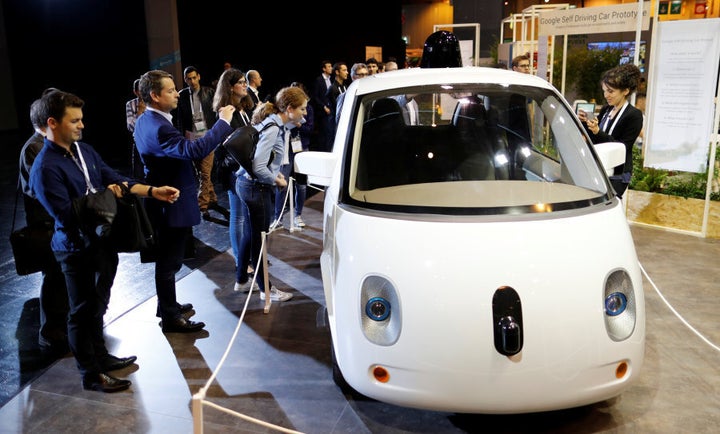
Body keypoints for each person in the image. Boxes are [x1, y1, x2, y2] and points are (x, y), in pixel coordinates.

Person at [29, 89, 180, 393]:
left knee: (98, 306)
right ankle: (90, 373)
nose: (81, 125)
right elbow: (67, 214)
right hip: (74, 249)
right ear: (53, 123)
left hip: (103, 242)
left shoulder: (85, 151)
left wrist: (152, 191)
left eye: (81, 119)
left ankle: (101, 357)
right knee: (82, 311)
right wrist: (106, 195)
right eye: (74, 121)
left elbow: (114, 176)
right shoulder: (44, 167)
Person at [134, 69, 235, 332]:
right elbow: (195, 150)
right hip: (170, 203)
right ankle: (169, 317)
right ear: (155, 96)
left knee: (171, 261)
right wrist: (222, 122)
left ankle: (167, 305)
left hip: (168, 202)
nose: (176, 94)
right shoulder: (159, 128)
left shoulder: (147, 120)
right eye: (170, 90)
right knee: (169, 262)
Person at [235, 86, 309, 302]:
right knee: (259, 240)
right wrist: (276, 179)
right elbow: (258, 166)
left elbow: (296, 122)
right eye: (302, 109)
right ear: (289, 108)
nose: (305, 113)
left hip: (248, 185)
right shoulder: (273, 129)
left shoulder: (277, 123)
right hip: (255, 187)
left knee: (250, 235)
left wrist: (297, 121)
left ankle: (241, 280)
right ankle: (265, 290)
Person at [18, 92, 69, 356]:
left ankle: (60, 327)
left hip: (57, 221)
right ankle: (49, 332)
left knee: (60, 275)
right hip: (45, 223)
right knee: (54, 275)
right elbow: (42, 188)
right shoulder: (34, 147)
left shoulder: (51, 143)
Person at [211, 68, 255, 291]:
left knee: (245, 217)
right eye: (240, 82)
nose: (244, 85)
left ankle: (246, 257)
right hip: (233, 172)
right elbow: (223, 147)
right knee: (238, 217)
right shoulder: (225, 111)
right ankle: (240, 260)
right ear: (229, 86)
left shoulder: (244, 108)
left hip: (245, 169)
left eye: (245, 82)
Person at [578, 63, 643, 198]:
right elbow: (593, 138)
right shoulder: (606, 109)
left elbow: (623, 146)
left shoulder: (634, 115)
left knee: (608, 203)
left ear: (625, 91)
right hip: (599, 167)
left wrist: (597, 132)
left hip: (618, 173)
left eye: (611, 91)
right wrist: (585, 123)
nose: (606, 95)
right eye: (604, 90)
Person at [173, 66, 226, 220]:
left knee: (204, 173)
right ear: (185, 80)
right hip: (191, 138)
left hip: (207, 137)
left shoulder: (208, 92)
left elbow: (217, 112)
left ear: (199, 77)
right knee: (202, 172)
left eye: (194, 77)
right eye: (189, 78)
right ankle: (213, 198)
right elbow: (178, 119)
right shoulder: (182, 95)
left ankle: (202, 206)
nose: (192, 81)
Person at [272, 81, 313, 231]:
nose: (305, 112)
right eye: (302, 108)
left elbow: (310, 129)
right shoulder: (275, 122)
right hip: (285, 151)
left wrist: (299, 125)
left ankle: (298, 215)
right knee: (281, 183)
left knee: (301, 185)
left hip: (301, 148)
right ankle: (278, 218)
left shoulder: (308, 111)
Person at [125, 78, 146, 179]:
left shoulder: (153, 102)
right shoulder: (130, 104)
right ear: (135, 92)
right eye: (140, 90)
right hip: (138, 142)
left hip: (153, 141)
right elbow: (130, 127)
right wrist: (140, 112)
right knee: (138, 175)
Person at [326, 61, 349, 149]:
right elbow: (336, 109)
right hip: (334, 124)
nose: (347, 72)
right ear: (337, 72)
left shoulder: (345, 87)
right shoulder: (332, 89)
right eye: (344, 70)